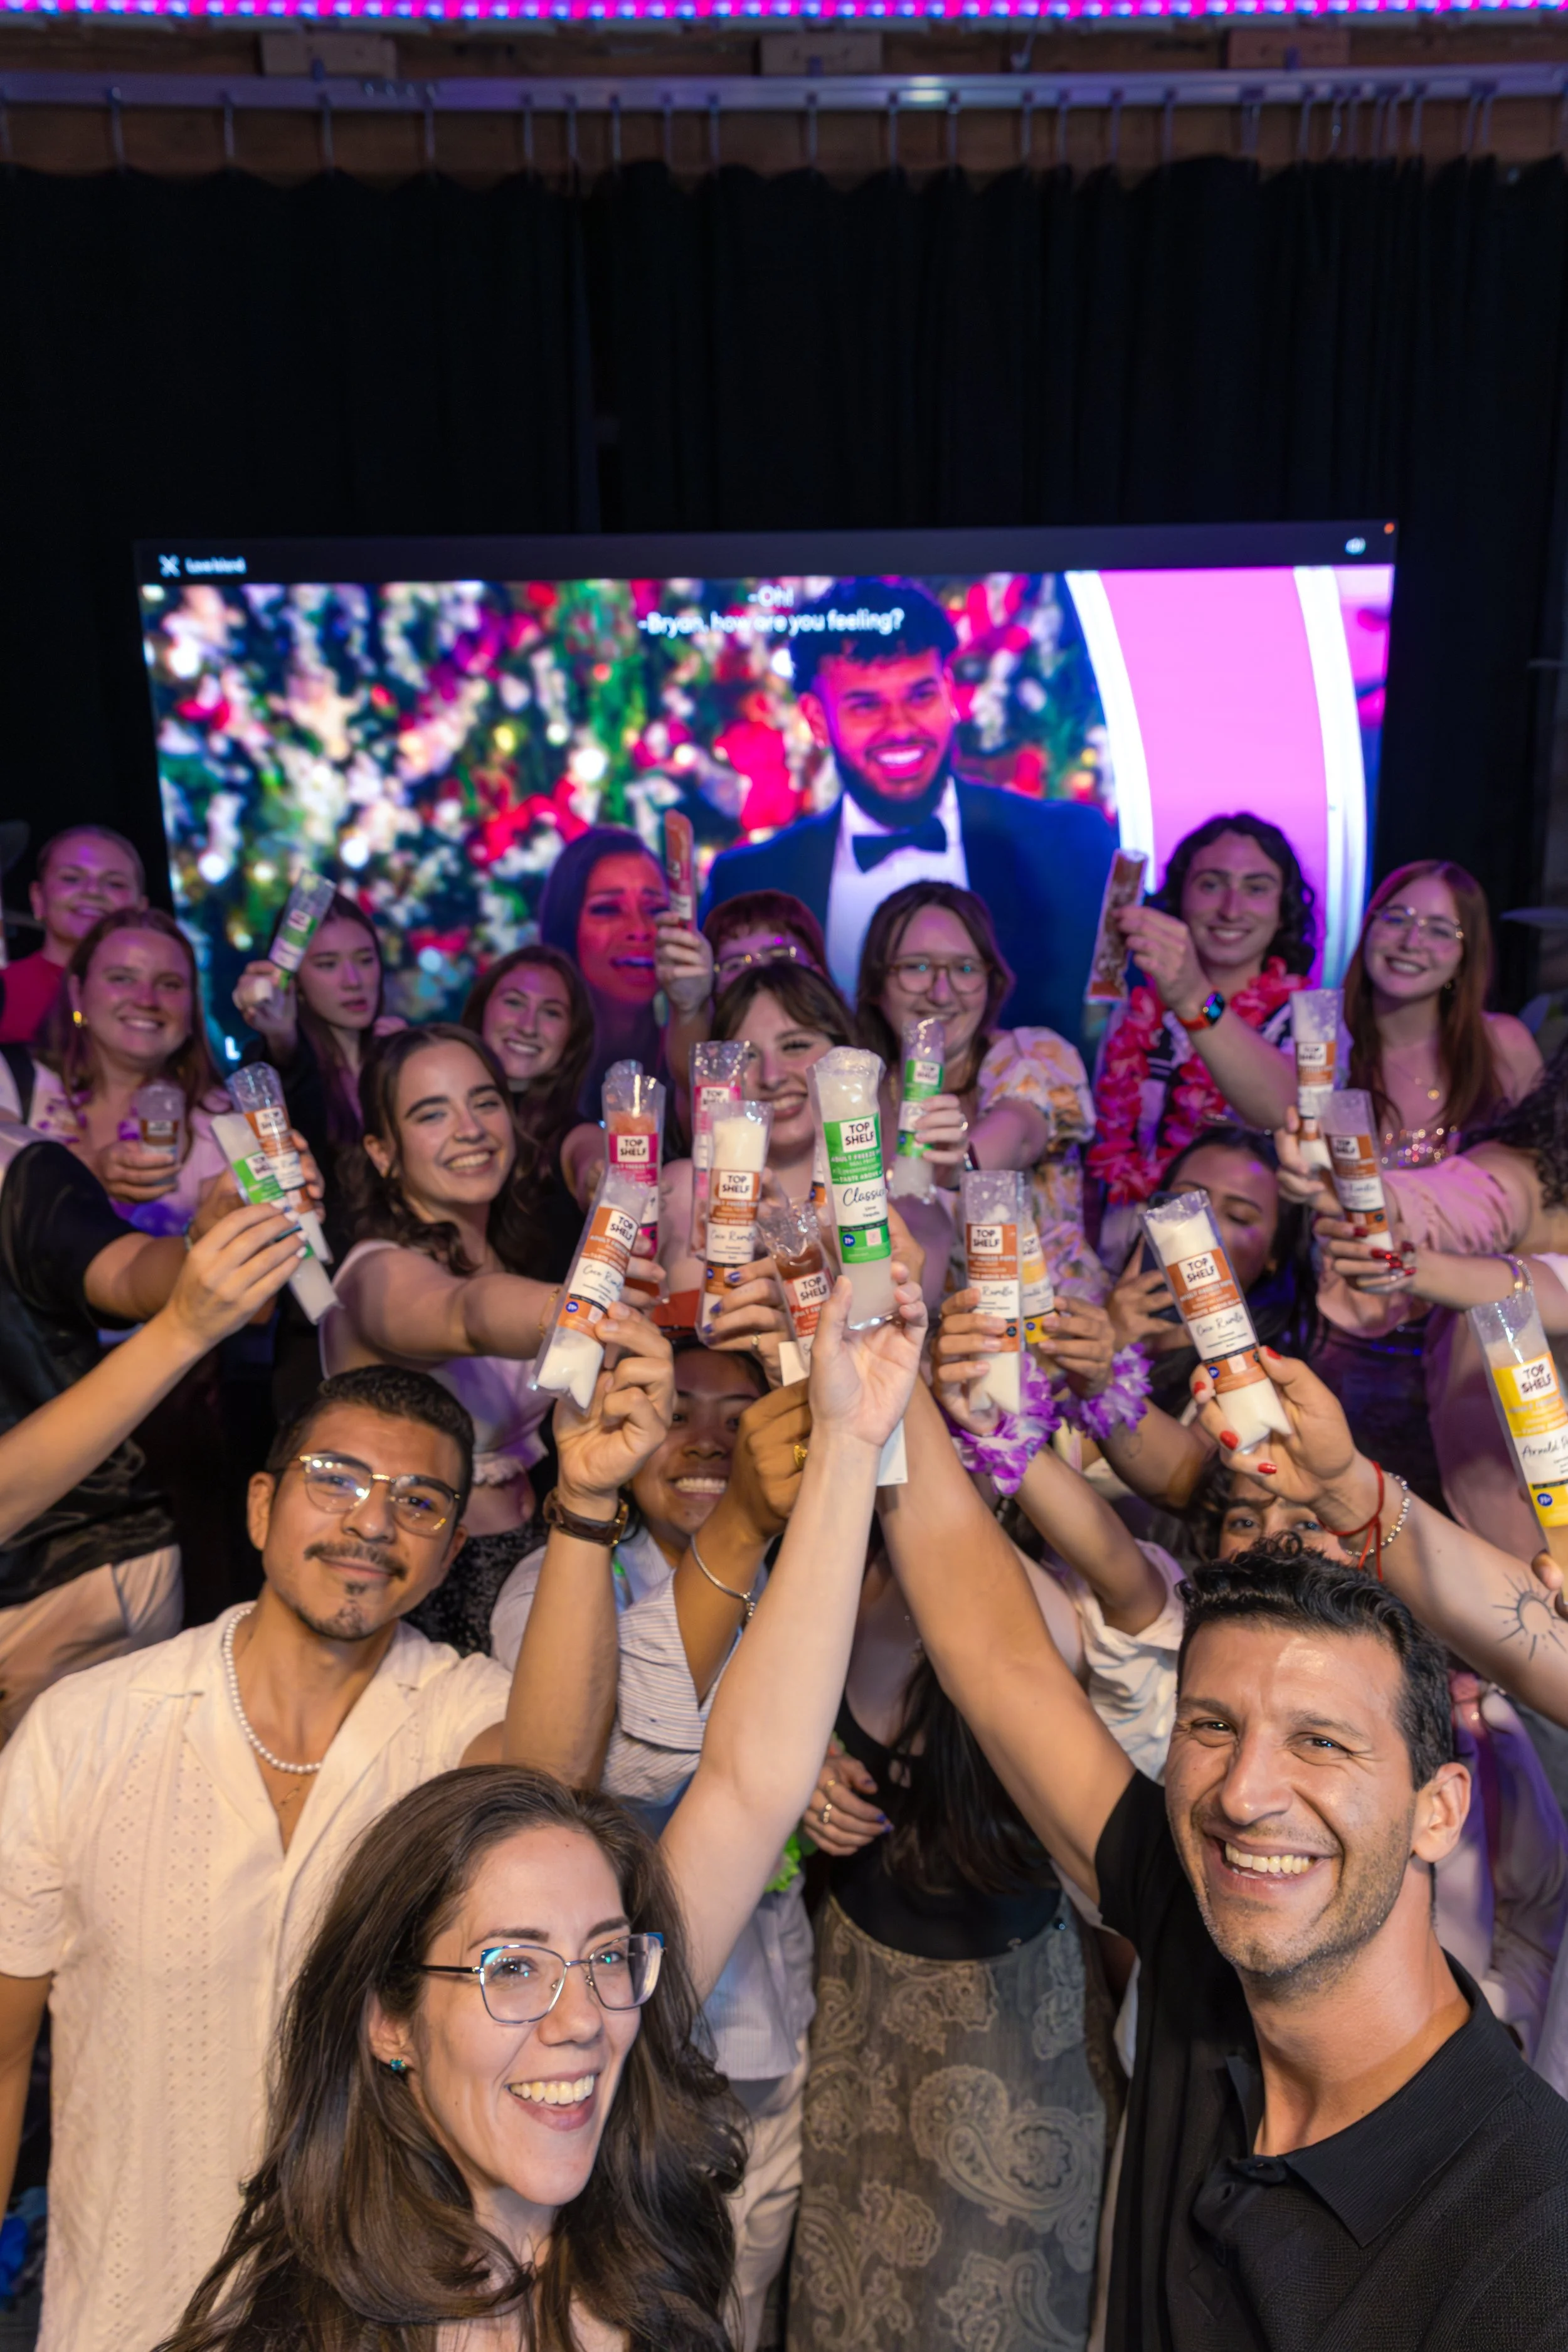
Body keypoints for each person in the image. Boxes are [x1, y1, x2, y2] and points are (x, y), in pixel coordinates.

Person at [146, 1263, 925, 2352]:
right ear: (389, 2021)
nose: (581, 2019)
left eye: (608, 1959)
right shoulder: (301, 2327)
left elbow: (753, 1780)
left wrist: (848, 1443)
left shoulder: (639, 2273)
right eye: (511, 1968)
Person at [0, 1320, 679, 2352]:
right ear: (263, 1506)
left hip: (368, 2322)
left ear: (451, 1550)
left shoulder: (457, 1717)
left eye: (418, 1504)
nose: (373, 1524)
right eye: (335, 1480)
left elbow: (541, 1791)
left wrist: (584, 1507)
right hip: (122, 2316)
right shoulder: (86, 1727)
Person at [878, 1370, 1568, 2352]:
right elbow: (995, 1656)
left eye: (1321, 1741)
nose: (1245, 1794)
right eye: (1212, 1724)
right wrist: (873, 1358)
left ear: (1437, 1809)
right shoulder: (1207, 1936)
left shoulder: (1525, 2241)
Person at [491, 1340, 815, 2351]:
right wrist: (749, 1518)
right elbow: (591, 1767)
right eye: (681, 1412)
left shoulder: (799, 1580)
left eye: (739, 1413)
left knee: (739, 2309)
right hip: (612, 2052)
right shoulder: (559, 1584)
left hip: (768, 2030)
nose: (711, 1438)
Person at [784, 1481, 1119, 2349]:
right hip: (855, 2001)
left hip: (1013, 2021)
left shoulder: (1041, 1603)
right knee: (848, 2293)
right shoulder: (836, 1580)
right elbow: (753, 1736)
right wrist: (804, 1778)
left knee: (1000, 2302)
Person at [703, 578, 1115, 1047]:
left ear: (947, 692)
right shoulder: (749, 879)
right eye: (866, 706)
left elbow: (1127, 1029)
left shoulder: (1070, 846)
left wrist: (1200, 1002)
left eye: (920, 696)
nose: (900, 728)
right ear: (818, 719)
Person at [326, 1025, 567, 1652]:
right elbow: (466, 1315)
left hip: (531, 1557)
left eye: (484, 1102)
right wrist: (599, 1309)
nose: (471, 1128)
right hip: (431, 1595)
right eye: (432, 1114)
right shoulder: (376, 1273)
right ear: (383, 1152)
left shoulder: (506, 1258)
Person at [858, 879, 1106, 1301]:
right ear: (878, 983)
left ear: (992, 981)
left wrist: (959, 1162)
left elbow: (1019, 1128)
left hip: (1049, 1338)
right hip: (925, 1344)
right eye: (916, 967)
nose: (940, 992)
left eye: (965, 969)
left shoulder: (1031, 1054)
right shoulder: (860, 1092)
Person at [1088, 813, 1316, 1253]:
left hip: (1246, 1272)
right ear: (1181, 899)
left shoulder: (1307, 1019)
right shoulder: (1132, 1019)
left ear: (1283, 910)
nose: (1231, 909)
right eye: (1211, 884)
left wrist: (1197, 997)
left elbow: (1286, 1110)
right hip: (1124, 1259)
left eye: (1256, 888)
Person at [0, 907, 228, 1233]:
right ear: (78, 995)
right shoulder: (12, 1076)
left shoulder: (223, 1123)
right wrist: (89, 1169)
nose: (147, 999)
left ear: (192, 1007)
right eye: (122, 979)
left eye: (170, 984)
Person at [233, 891, 404, 1170]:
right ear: (295, 979)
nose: (353, 981)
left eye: (365, 960)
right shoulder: (272, 1063)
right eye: (328, 964)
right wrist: (282, 1039)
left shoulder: (397, 1047)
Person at [462, 943, 594, 1281]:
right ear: (483, 1009)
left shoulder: (573, 1134)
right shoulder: (445, 1119)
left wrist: (602, 1176)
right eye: (514, 1003)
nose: (528, 1026)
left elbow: (592, 1156)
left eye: (551, 1012)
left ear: (572, 1036)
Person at [654, 887, 827, 1129]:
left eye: (779, 956)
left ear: (818, 975)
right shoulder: (710, 1077)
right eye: (735, 965)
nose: (758, 974)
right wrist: (688, 1008)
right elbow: (691, 1075)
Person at [537, 824, 667, 1113]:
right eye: (608, 909)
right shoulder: (529, 1059)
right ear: (566, 925)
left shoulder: (692, 1059)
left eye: (656, 910)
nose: (640, 930)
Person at [0, 826, 144, 1046]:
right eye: (71, 879)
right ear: (38, 898)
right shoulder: (6, 992)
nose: (93, 891)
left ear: (141, 909)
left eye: (115, 883)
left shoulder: (165, 998)